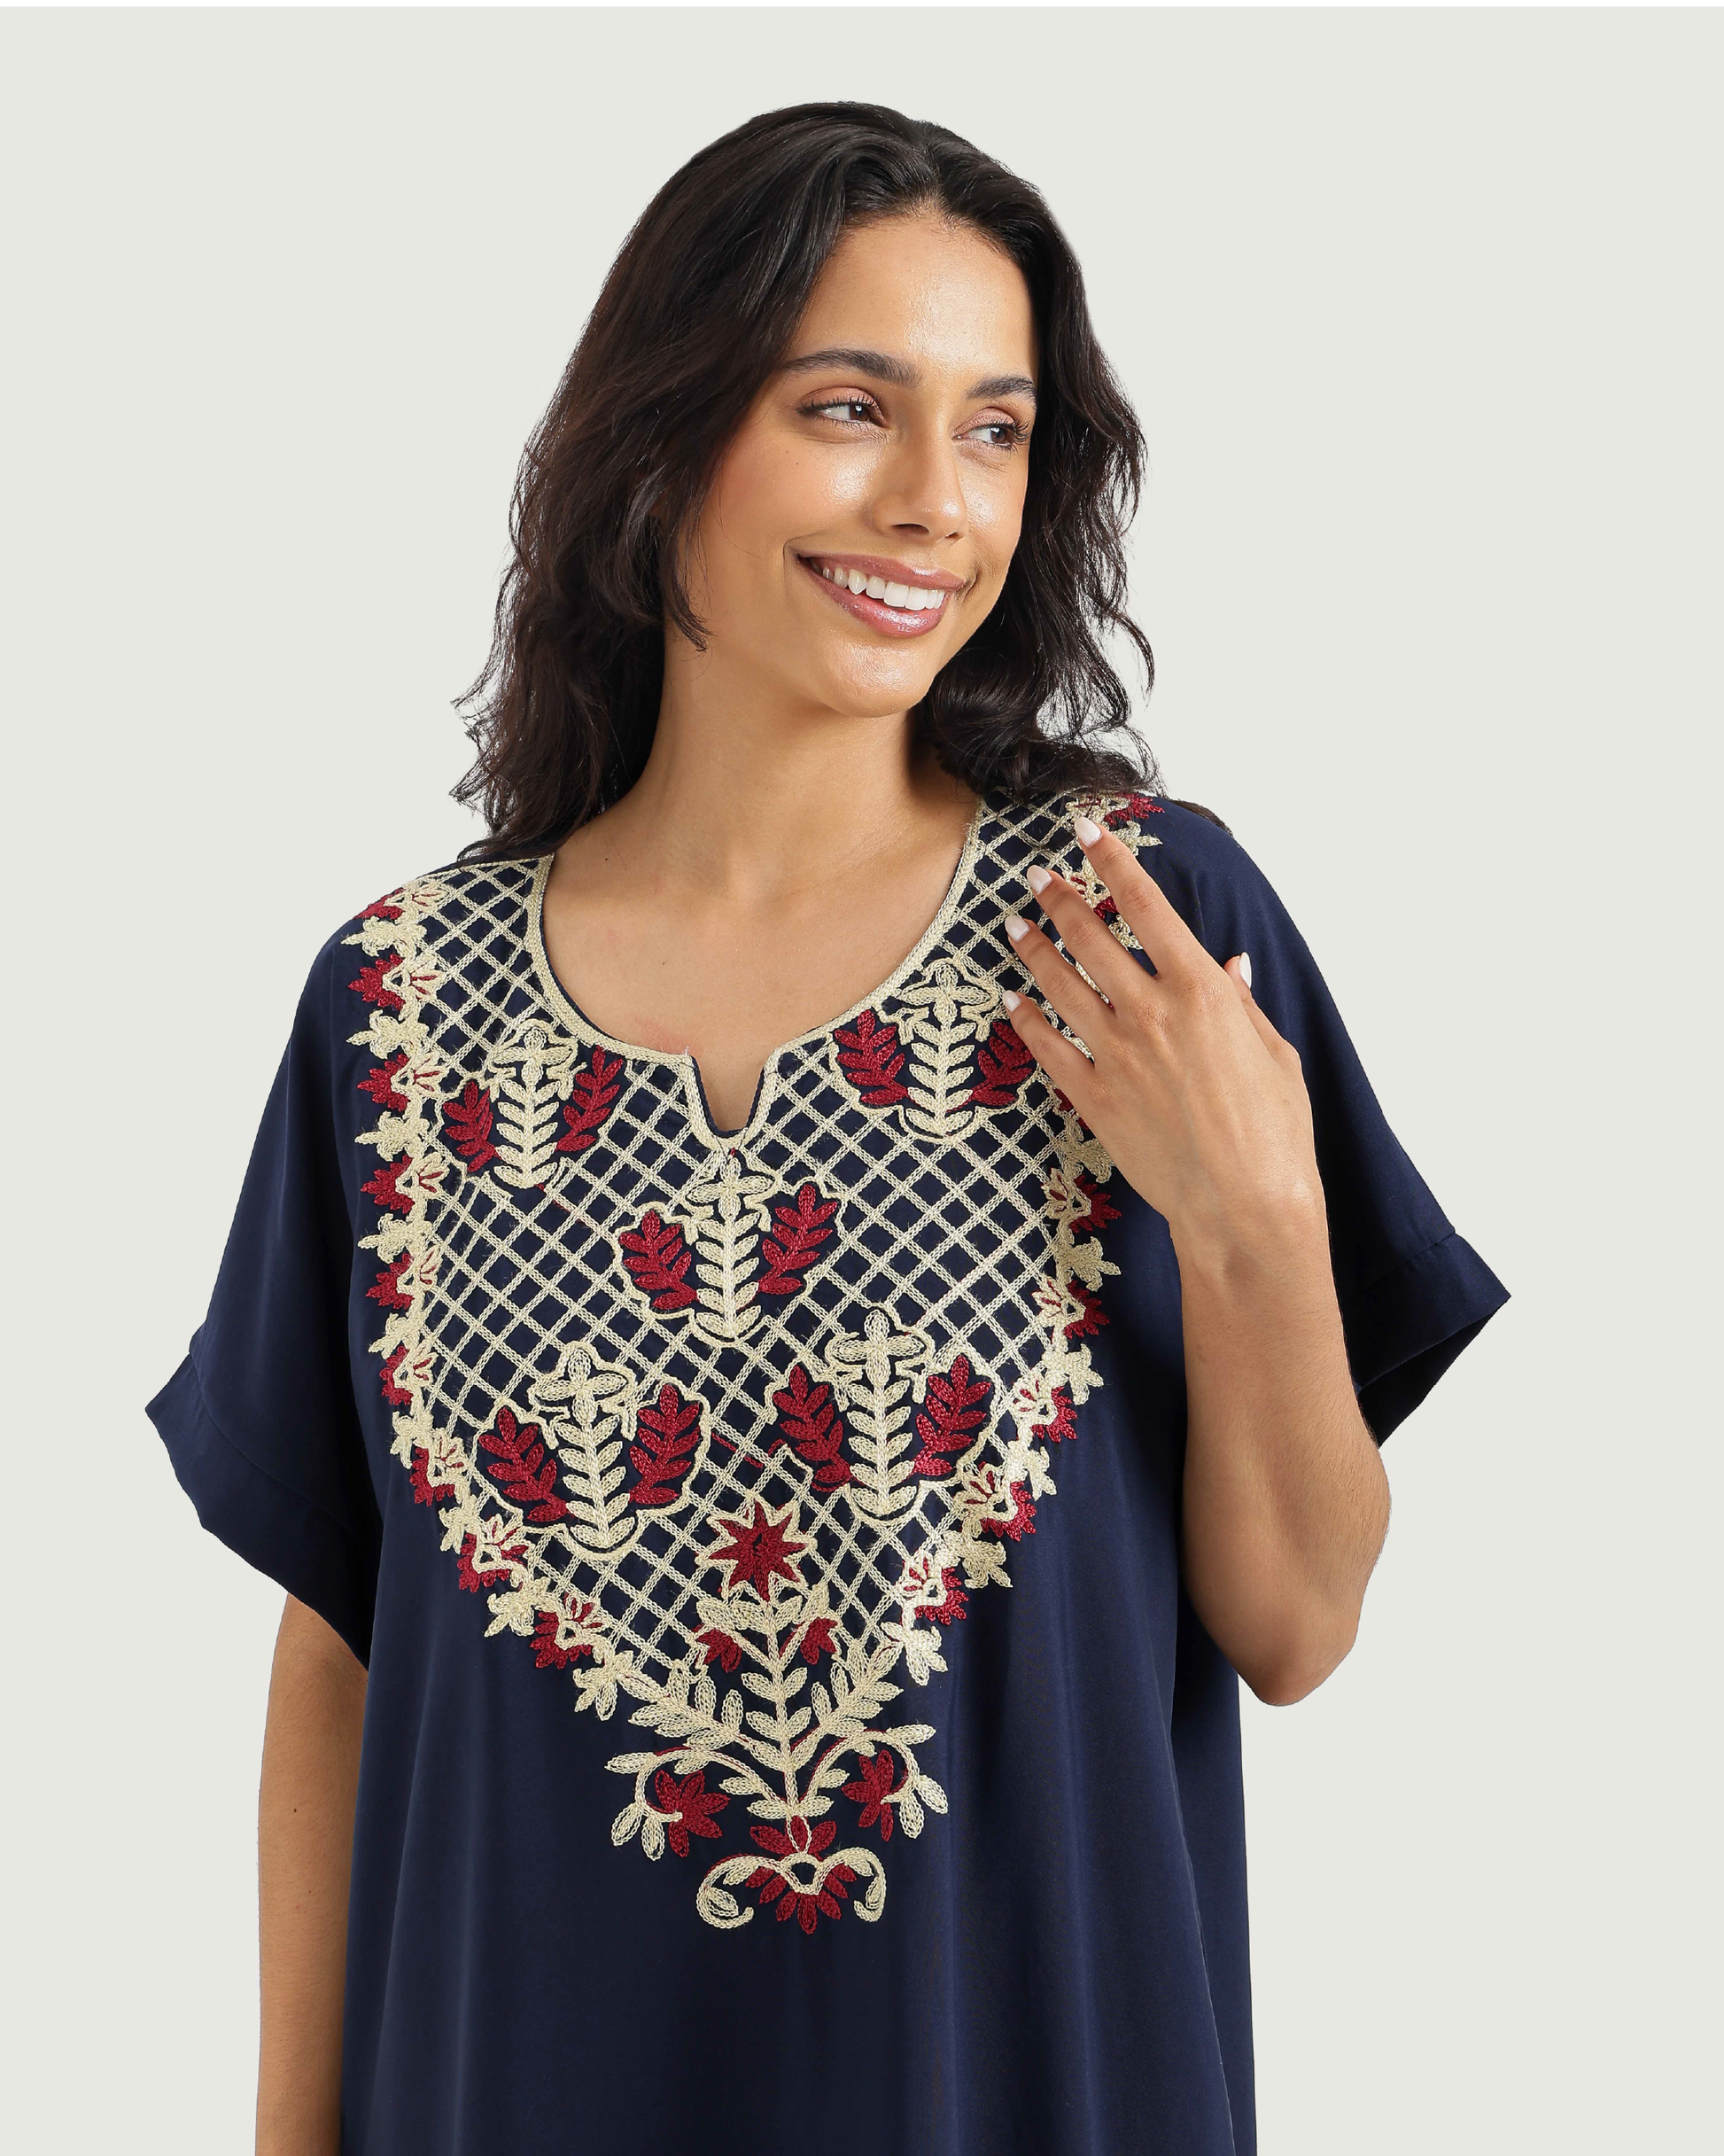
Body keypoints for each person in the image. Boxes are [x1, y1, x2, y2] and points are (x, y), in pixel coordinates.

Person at [148, 100, 1507, 2156]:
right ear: (666, 429)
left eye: (996, 429)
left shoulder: (1141, 928)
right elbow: (344, 1651)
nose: (932, 503)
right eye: (849, 407)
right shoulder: (392, 1012)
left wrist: (1252, 1208)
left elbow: (1297, 1626)